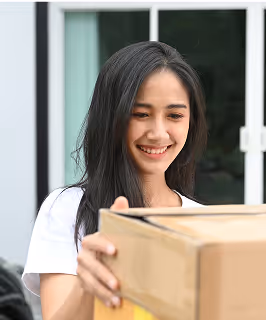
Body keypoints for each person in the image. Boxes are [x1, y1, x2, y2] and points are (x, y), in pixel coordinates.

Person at [22, 41, 207, 320]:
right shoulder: (68, 210)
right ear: (111, 118)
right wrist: (89, 286)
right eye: (140, 114)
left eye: (175, 115)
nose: (158, 133)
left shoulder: (206, 223)